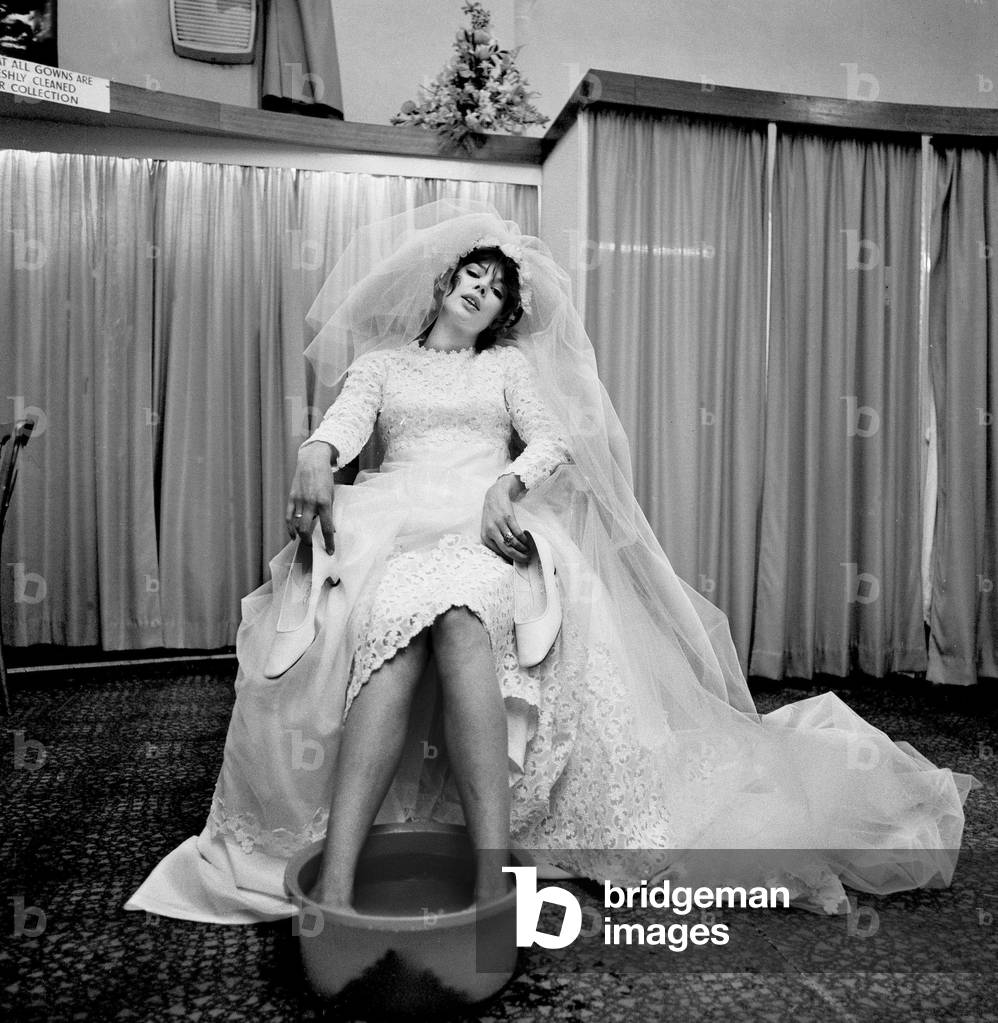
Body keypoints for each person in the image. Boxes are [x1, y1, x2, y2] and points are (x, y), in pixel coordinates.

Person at [126, 199, 977, 925]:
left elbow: (557, 440)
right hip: (397, 517)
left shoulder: (506, 369)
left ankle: (493, 874)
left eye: (497, 290)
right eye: (473, 276)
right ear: (443, 280)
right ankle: (339, 879)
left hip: (490, 526)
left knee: (465, 609)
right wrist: (316, 449)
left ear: (502, 315)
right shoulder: (379, 364)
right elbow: (346, 423)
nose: (480, 290)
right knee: (390, 619)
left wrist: (508, 483)